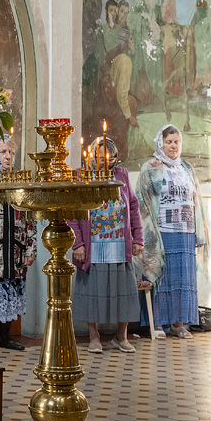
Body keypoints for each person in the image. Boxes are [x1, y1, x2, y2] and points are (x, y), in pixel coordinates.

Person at [68, 138, 144, 354]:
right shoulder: (81, 175)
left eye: (106, 158)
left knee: (124, 292)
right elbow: (73, 212)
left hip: (119, 245)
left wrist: (138, 237)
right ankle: (94, 336)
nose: (102, 162)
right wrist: (78, 244)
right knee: (93, 291)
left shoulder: (122, 174)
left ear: (114, 157)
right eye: (98, 157)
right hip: (94, 247)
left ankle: (121, 336)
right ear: (90, 156)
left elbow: (133, 206)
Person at [137, 124, 207, 338]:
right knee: (162, 278)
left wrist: (199, 232)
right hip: (161, 232)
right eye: (169, 142)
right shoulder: (151, 168)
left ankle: (178, 323)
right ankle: (157, 323)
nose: (173, 146)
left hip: (185, 232)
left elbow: (197, 201)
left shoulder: (187, 168)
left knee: (183, 279)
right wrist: (147, 233)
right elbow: (143, 201)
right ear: (161, 143)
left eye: (176, 142)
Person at [0, 136, 38, 352]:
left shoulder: (20, 182)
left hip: (16, 247)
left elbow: (31, 219)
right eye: (3, 152)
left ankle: (5, 336)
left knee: (12, 290)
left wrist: (30, 249)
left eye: (10, 152)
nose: (8, 156)